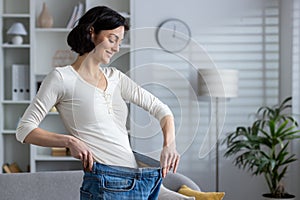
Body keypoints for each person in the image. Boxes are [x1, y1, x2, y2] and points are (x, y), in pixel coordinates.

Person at [16, 6, 179, 200]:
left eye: (120, 41)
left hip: (139, 180)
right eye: (112, 39)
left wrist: (170, 144)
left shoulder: (116, 78)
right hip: (105, 184)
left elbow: (162, 109)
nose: (117, 48)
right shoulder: (62, 78)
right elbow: (24, 129)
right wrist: (70, 141)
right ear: (92, 32)